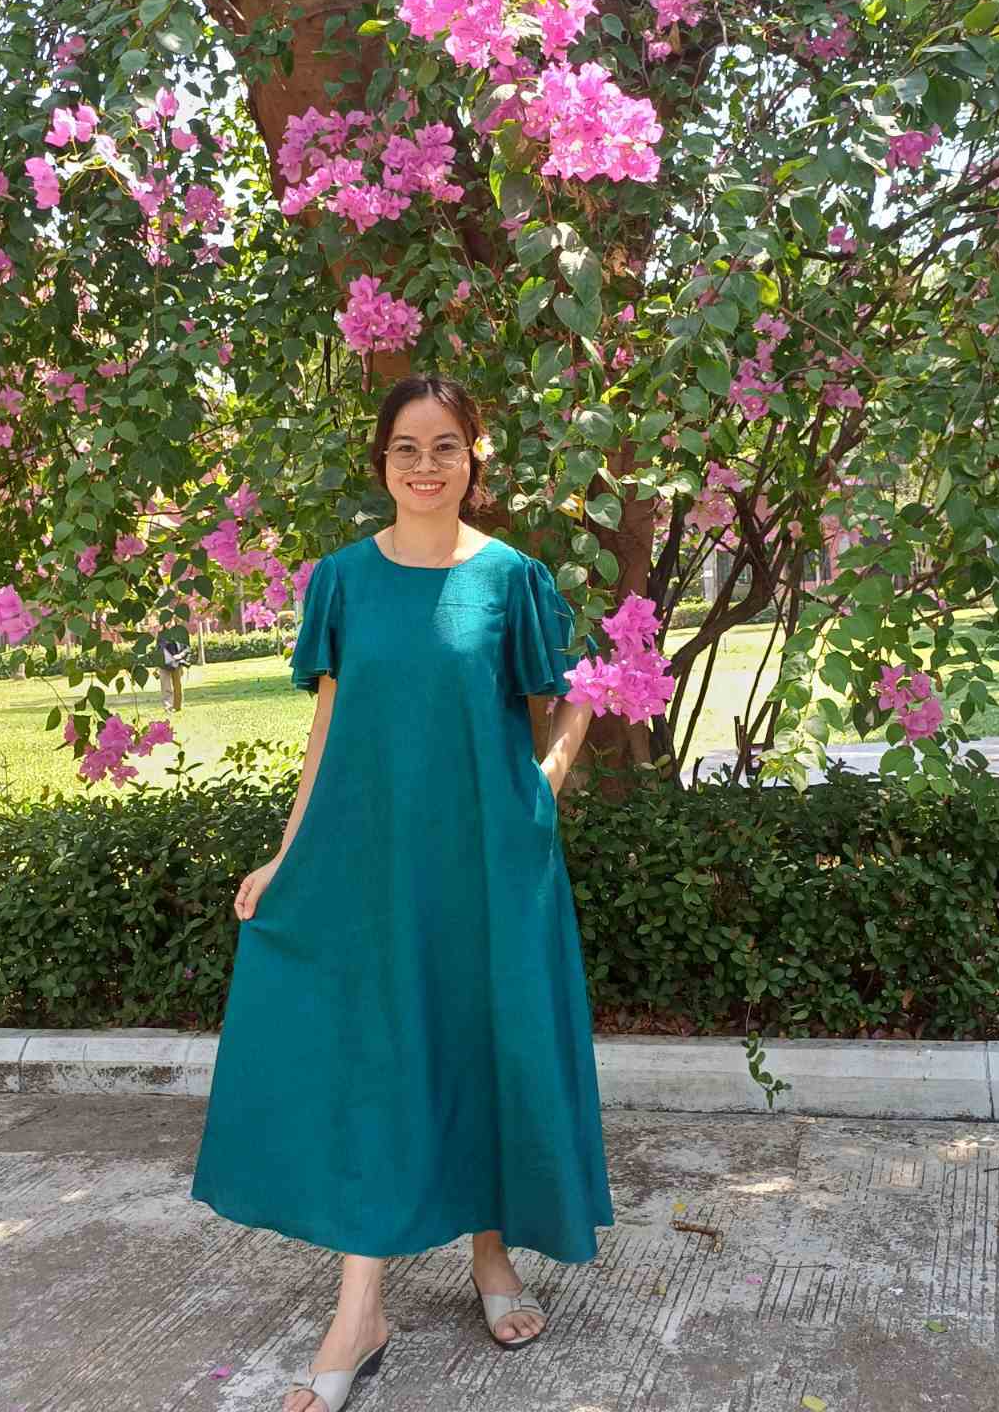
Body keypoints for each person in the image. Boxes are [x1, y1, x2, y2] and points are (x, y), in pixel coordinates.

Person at [189, 373, 614, 1412]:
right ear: (381, 463)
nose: (426, 466)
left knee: (484, 1041)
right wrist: (285, 857)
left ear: (475, 459)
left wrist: (543, 785)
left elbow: (572, 698)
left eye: (446, 447)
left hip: (491, 863)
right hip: (372, 864)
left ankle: (491, 1256)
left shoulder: (513, 579)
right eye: (406, 449)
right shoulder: (341, 580)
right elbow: (327, 729)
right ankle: (359, 1311)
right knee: (380, 1059)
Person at [155, 625, 190, 711]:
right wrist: (157, 665)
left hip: (177, 662)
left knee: (178, 686)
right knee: (165, 686)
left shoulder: (181, 632)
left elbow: (187, 648)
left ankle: (177, 706)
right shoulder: (161, 634)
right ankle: (168, 707)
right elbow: (158, 649)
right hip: (164, 663)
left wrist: (180, 655)